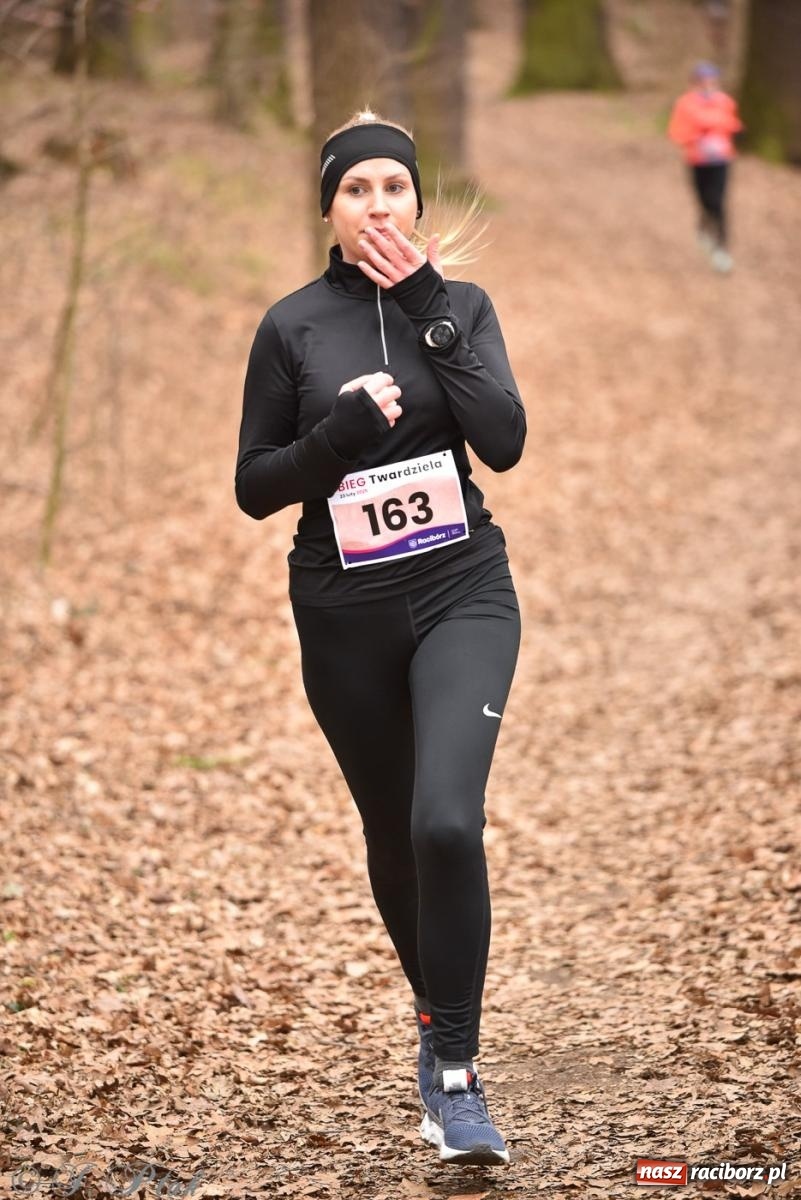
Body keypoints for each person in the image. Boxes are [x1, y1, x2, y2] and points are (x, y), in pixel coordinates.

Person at [235, 110, 525, 1166]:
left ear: (416, 200)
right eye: (354, 190)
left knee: (446, 821)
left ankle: (455, 1075)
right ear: (328, 209)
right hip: (342, 612)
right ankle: (434, 1014)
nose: (376, 205)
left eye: (393, 187)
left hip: (461, 590)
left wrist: (430, 312)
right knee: (396, 838)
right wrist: (338, 436)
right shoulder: (293, 328)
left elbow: (505, 439)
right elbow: (254, 485)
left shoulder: (462, 306)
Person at [668, 61, 743, 273]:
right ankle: (704, 225)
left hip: (721, 160)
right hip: (697, 160)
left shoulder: (725, 102)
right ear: (695, 83)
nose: (708, 85)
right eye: (703, 81)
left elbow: (733, 125)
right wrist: (697, 135)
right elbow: (677, 132)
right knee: (704, 200)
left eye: (712, 81)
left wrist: (730, 132)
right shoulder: (685, 104)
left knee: (718, 202)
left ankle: (721, 247)